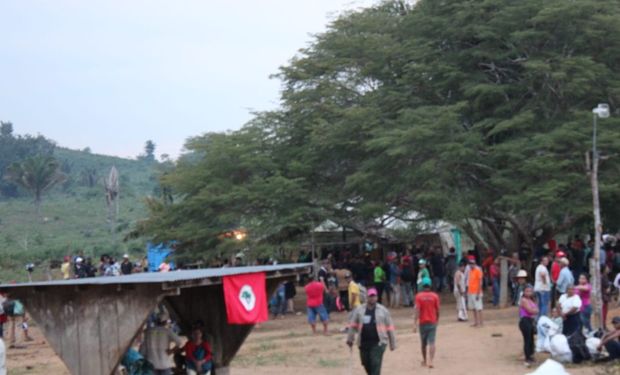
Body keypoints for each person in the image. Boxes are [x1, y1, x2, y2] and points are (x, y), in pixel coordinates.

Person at [347, 287, 396, 375]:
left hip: (379, 343)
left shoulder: (383, 310)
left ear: (377, 297)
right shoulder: (359, 310)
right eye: (370, 296)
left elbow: (390, 328)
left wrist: (392, 343)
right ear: (367, 297)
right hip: (363, 343)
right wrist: (350, 338)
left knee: (375, 364)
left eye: (374, 296)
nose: (372, 298)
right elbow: (353, 325)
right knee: (366, 363)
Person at [141, 311, 183, 375]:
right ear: (165, 321)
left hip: (151, 364)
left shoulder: (148, 331)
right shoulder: (167, 331)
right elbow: (179, 342)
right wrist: (171, 351)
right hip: (164, 363)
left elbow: (142, 350)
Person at [413, 279, 440, 368]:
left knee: (423, 343)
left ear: (422, 286)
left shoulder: (419, 296)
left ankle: (424, 360)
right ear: (430, 285)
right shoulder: (435, 296)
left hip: (423, 322)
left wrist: (414, 323)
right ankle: (431, 361)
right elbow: (437, 310)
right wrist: (437, 320)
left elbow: (417, 310)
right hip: (432, 321)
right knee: (432, 342)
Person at [518, 285, 539, 367]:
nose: (529, 293)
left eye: (530, 291)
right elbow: (530, 310)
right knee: (527, 340)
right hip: (525, 321)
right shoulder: (523, 300)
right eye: (527, 291)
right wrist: (535, 310)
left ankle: (530, 355)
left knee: (531, 339)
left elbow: (536, 310)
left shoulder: (531, 300)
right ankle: (527, 357)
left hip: (530, 320)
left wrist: (535, 310)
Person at [467, 256, 484, 327]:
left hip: (476, 291)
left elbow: (480, 282)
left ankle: (481, 322)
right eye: (470, 264)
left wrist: (478, 292)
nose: (471, 265)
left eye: (472, 263)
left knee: (479, 307)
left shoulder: (478, 271)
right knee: (473, 308)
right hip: (471, 291)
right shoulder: (470, 271)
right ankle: (476, 322)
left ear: (475, 264)